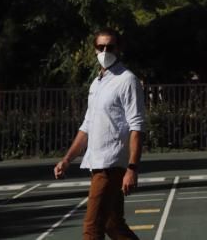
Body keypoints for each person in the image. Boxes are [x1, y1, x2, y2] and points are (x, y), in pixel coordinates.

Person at [54, 28, 146, 240]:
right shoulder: (97, 83)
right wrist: (67, 160)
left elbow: (137, 126)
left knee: (92, 227)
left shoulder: (127, 80)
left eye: (110, 47)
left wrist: (132, 168)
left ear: (119, 49)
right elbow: (87, 125)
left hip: (111, 164)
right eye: (100, 47)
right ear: (94, 49)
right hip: (96, 163)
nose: (105, 51)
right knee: (113, 225)